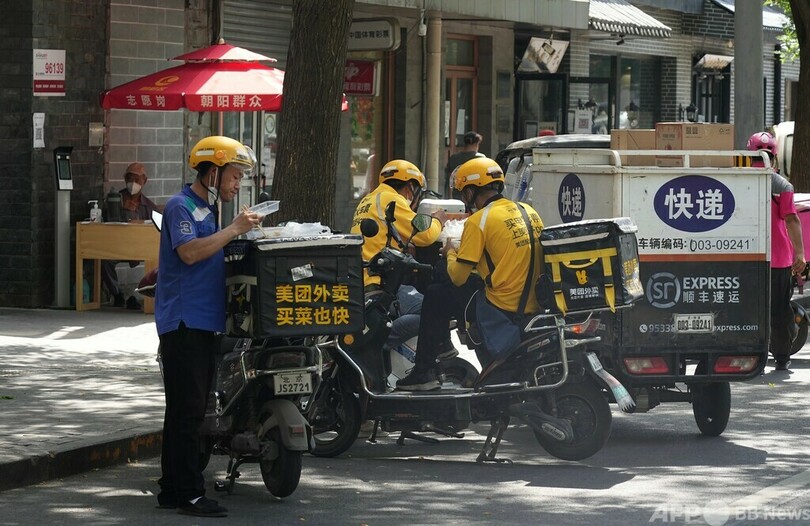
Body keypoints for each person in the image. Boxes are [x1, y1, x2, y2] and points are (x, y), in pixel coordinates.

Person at [154, 136, 261, 517]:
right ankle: (190, 494)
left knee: (183, 410)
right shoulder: (180, 207)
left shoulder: (207, 210)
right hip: (185, 321)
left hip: (203, 320)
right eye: (234, 176)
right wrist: (234, 229)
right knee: (189, 411)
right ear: (213, 172)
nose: (237, 184)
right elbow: (189, 252)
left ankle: (171, 488)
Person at [397, 157, 544, 391]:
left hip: (502, 304)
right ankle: (443, 347)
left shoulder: (479, 221)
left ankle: (424, 370)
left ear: (471, 191)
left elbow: (458, 277)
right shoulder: (529, 211)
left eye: (464, 192)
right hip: (532, 300)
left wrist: (450, 252)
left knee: (436, 292)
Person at [351, 159, 448, 352]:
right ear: (410, 187)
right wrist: (438, 220)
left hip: (363, 278)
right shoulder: (391, 199)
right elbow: (426, 235)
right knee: (432, 310)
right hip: (379, 282)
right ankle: (378, 342)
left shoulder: (369, 199)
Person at [748, 131, 806, 371]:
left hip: (746, 257)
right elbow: (791, 219)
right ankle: (781, 357)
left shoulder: (738, 182)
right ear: (774, 156)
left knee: (749, 308)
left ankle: (751, 356)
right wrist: (800, 254)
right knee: (780, 309)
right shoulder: (782, 185)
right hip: (778, 259)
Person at [101, 162, 159, 309]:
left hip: (141, 247)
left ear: (144, 181)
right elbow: (106, 220)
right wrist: (119, 210)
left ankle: (141, 297)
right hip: (118, 246)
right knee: (105, 260)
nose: (133, 183)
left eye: (137, 179)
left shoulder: (148, 205)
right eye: (129, 179)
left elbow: (158, 225)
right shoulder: (115, 199)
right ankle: (117, 294)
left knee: (158, 259)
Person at [445, 131, 484, 199]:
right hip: (474, 195)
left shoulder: (454, 158)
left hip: (457, 194)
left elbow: (449, 177)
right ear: (476, 144)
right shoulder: (480, 158)